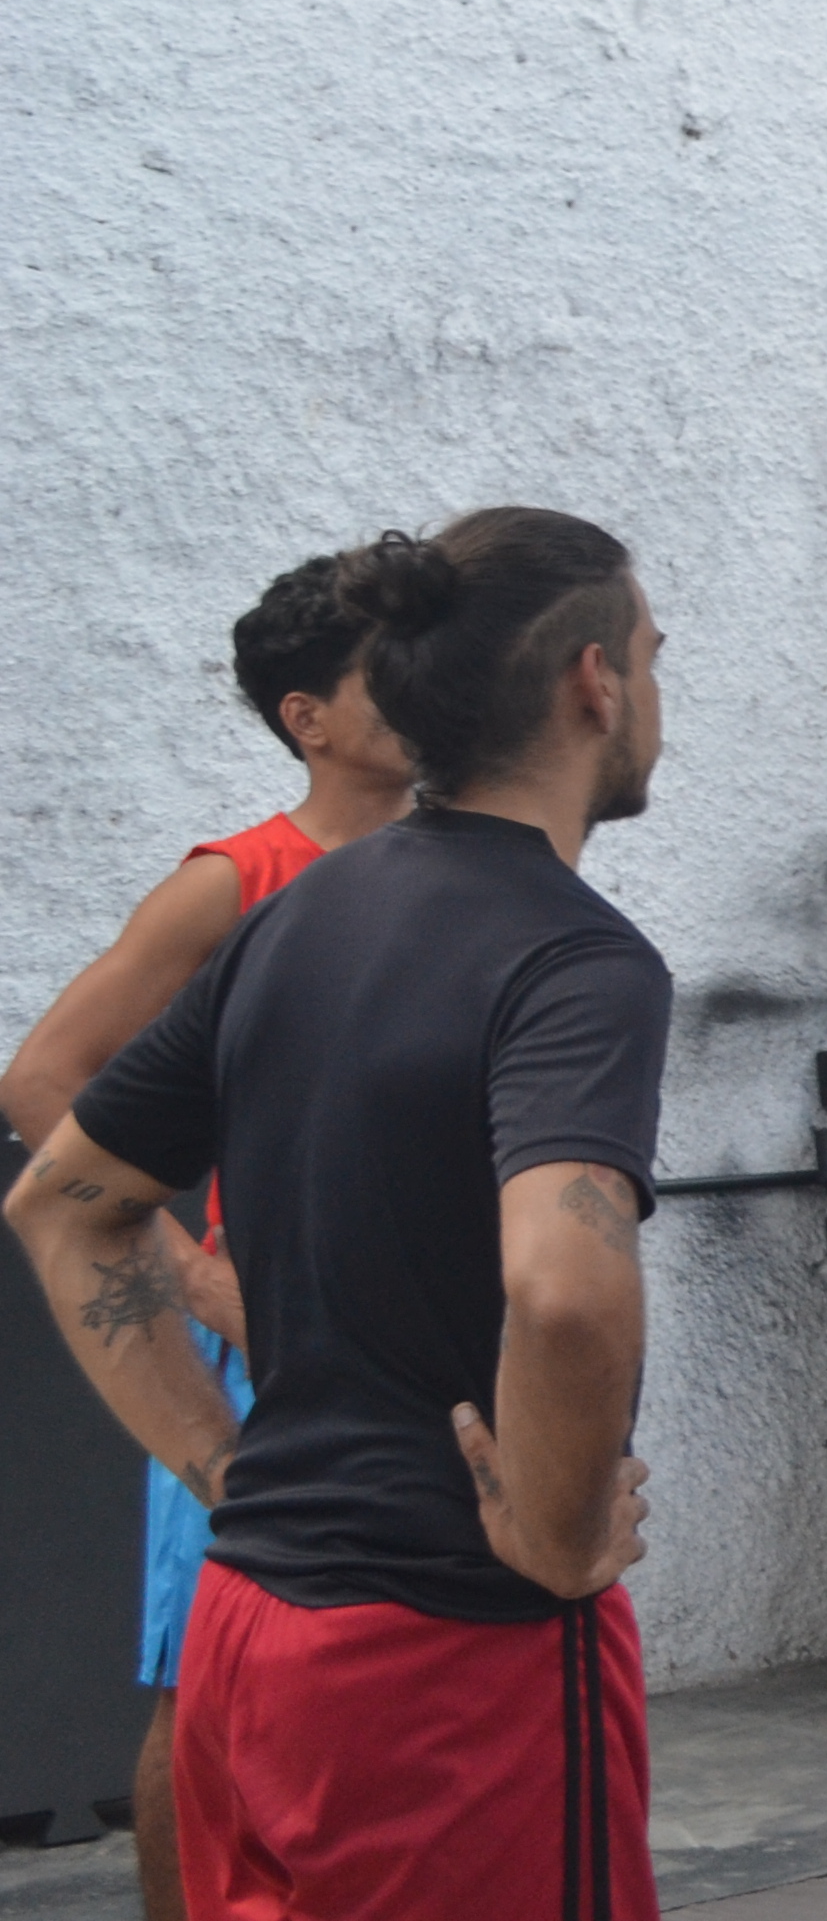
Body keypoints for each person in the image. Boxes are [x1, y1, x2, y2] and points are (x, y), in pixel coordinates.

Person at [6, 511, 673, 1921]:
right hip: (445, 1663)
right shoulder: (576, 959)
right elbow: (566, 1283)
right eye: (653, 657)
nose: (656, 693)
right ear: (594, 683)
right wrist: (557, 1539)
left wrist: (225, 1468)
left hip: (250, 1632)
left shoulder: (292, 918)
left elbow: (62, 1204)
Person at [0, 555, 411, 1921]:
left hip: (411, 1341)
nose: (425, 690)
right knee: (206, 1686)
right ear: (310, 718)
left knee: (386, 1669)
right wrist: (186, 1273)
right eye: (387, 674)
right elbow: (42, 1080)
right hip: (259, 1352)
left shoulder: (459, 866)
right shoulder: (236, 880)